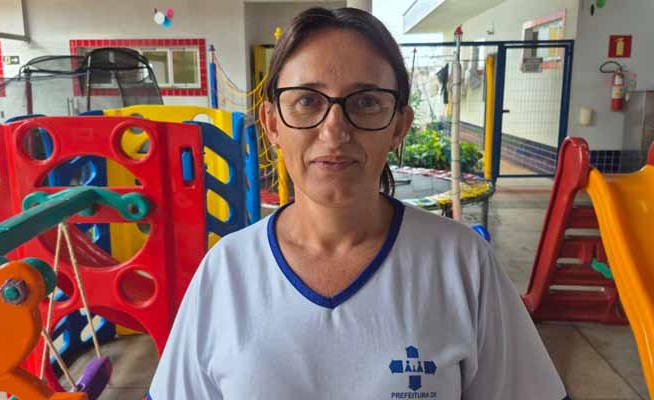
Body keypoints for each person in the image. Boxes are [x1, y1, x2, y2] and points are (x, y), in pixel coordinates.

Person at [149, 7, 567, 400]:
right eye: (307, 100)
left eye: (366, 101)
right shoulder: (226, 272)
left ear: (399, 125)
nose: (334, 131)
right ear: (272, 124)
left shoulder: (462, 265)